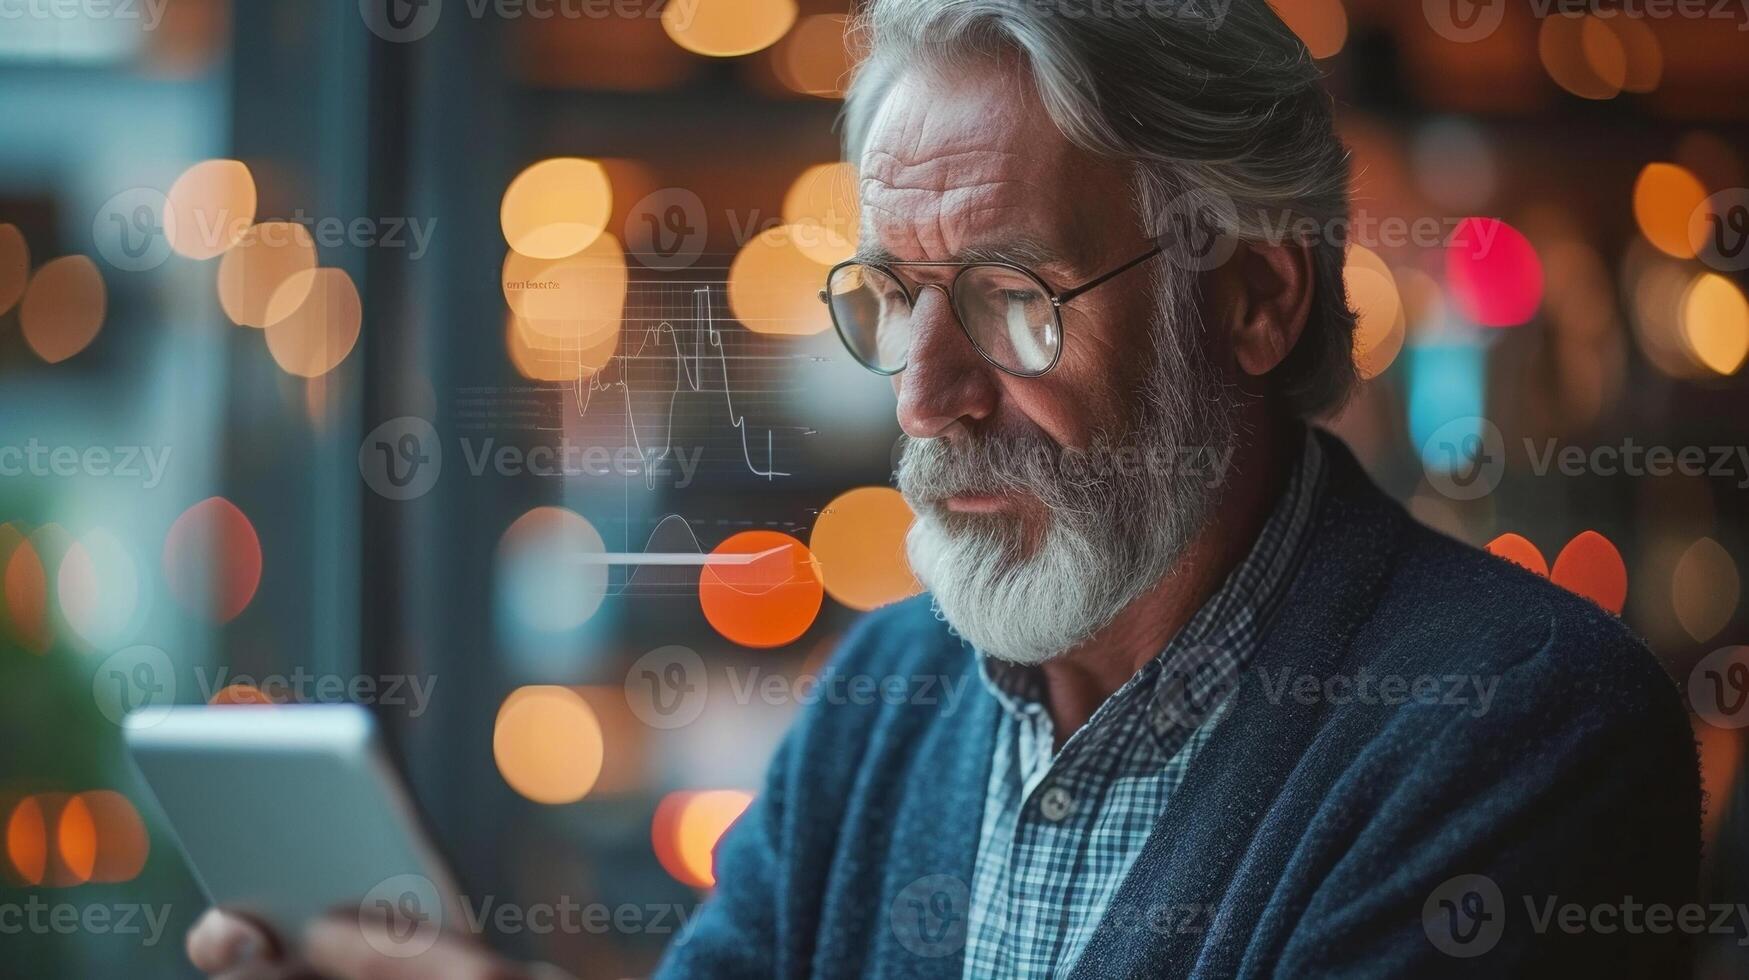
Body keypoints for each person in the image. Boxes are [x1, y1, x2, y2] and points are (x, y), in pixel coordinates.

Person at [190, 0, 1700, 976]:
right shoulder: (892, 688)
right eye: (895, 296)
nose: (924, 393)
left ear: (1249, 297)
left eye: (1014, 296)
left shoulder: (1521, 723)